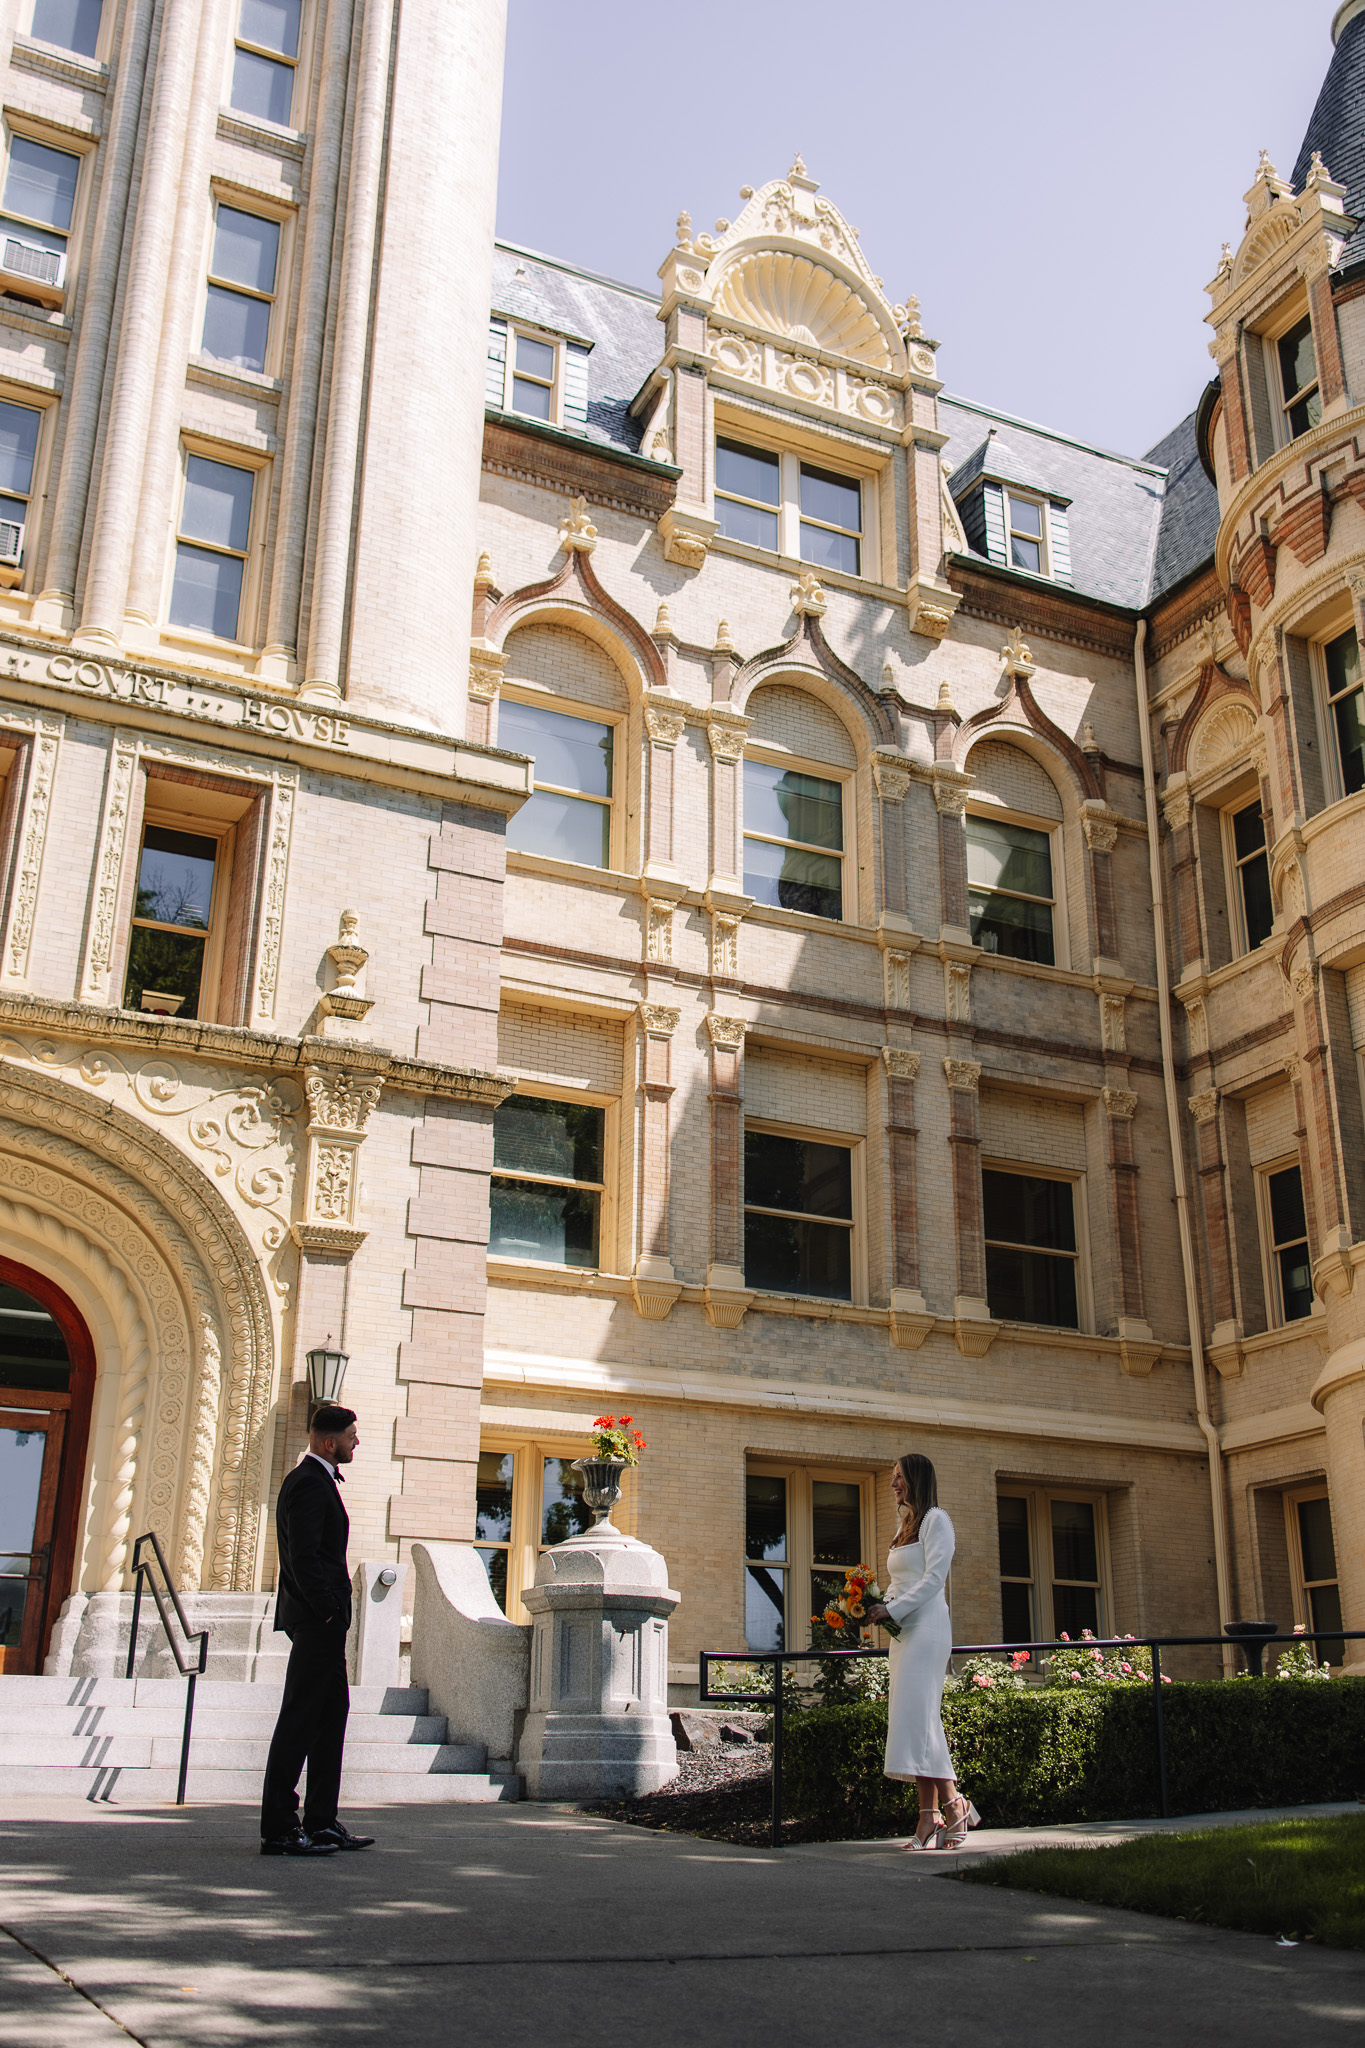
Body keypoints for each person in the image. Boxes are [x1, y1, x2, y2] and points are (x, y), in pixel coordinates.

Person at [259, 1403, 375, 1856]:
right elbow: (303, 1557)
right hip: (317, 1624)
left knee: (330, 1721)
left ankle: (322, 1821)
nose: (356, 1441)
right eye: (351, 1435)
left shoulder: (318, 1479)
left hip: (325, 1626)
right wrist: (327, 1610)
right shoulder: (307, 1482)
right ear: (330, 1442)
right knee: (299, 1722)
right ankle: (279, 1829)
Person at [866, 1453, 979, 1852]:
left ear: (916, 1479)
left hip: (928, 1630)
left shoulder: (936, 1520)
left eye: (899, 1477)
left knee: (923, 1717)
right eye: (893, 1477)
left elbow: (934, 1579)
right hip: (903, 1634)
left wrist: (891, 1609)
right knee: (915, 1720)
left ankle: (952, 1806)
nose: (893, 1483)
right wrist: (874, 1603)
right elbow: (902, 1579)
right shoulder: (904, 1525)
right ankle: (932, 1816)